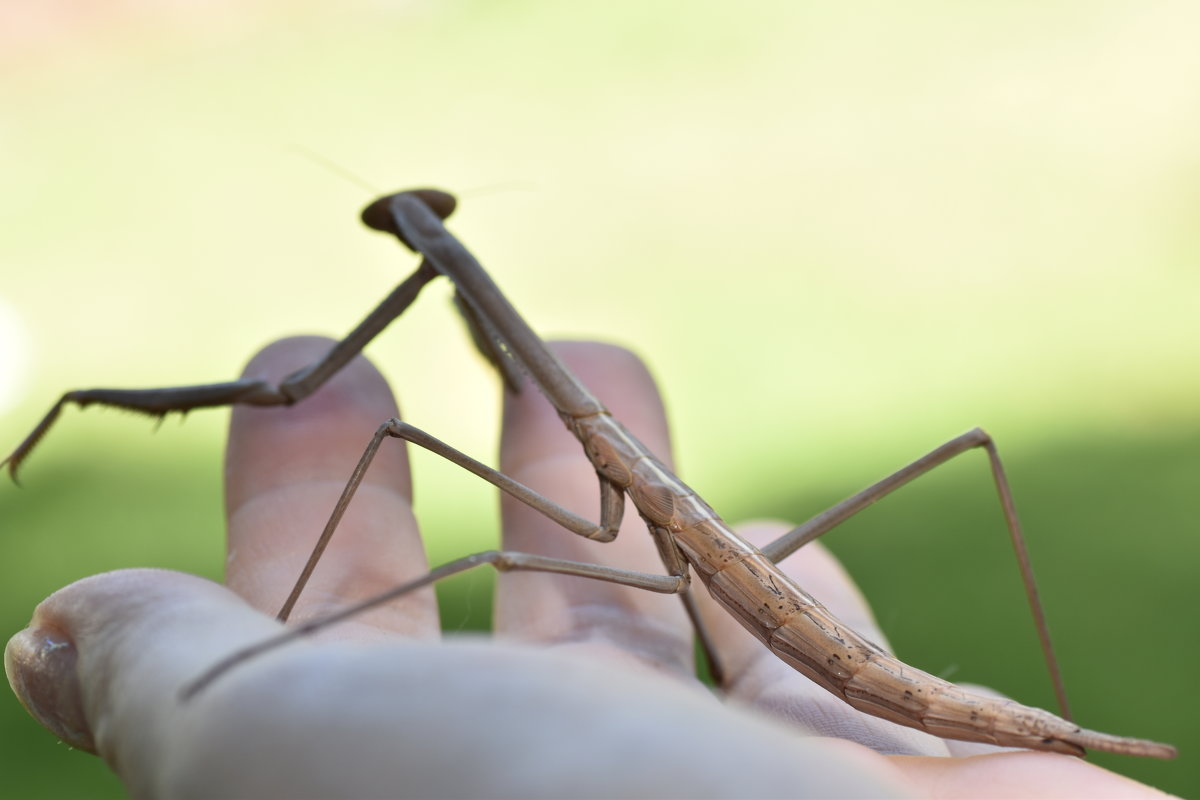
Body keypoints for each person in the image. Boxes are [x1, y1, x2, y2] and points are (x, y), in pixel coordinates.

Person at [6, 337, 1172, 798]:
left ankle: (1065, 734)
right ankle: (1072, 739)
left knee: (418, 472)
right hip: (796, 632)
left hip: (848, 663)